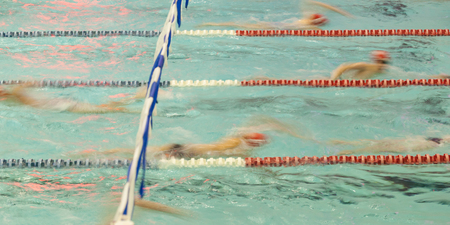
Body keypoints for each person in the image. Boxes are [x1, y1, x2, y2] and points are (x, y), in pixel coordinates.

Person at [80, 115, 314, 159]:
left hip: (184, 146)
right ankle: (97, 156)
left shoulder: (235, 139)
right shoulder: (237, 146)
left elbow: (257, 120)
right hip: (185, 153)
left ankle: (94, 153)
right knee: (138, 158)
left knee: (136, 153)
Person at [197, 1, 353, 30]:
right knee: (243, 25)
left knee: (244, 24)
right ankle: (213, 25)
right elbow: (315, 4)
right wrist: (343, 13)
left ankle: (213, 25)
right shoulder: (308, 23)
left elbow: (314, 4)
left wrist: (341, 12)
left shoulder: (308, 18)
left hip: (284, 24)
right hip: (282, 26)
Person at [0, 83, 133, 113]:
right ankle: (134, 98)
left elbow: (26, 84)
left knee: (106, 110)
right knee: (103, 108)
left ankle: (136, 106)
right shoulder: (12, 93)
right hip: (59, 104)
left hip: (62, 106)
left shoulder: (14, 93)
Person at [330, 135, 450, 155]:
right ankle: (352, 152)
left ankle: (346, 143)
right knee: (384, 146)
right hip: (433, 144)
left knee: (382, 143)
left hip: (430, 139)